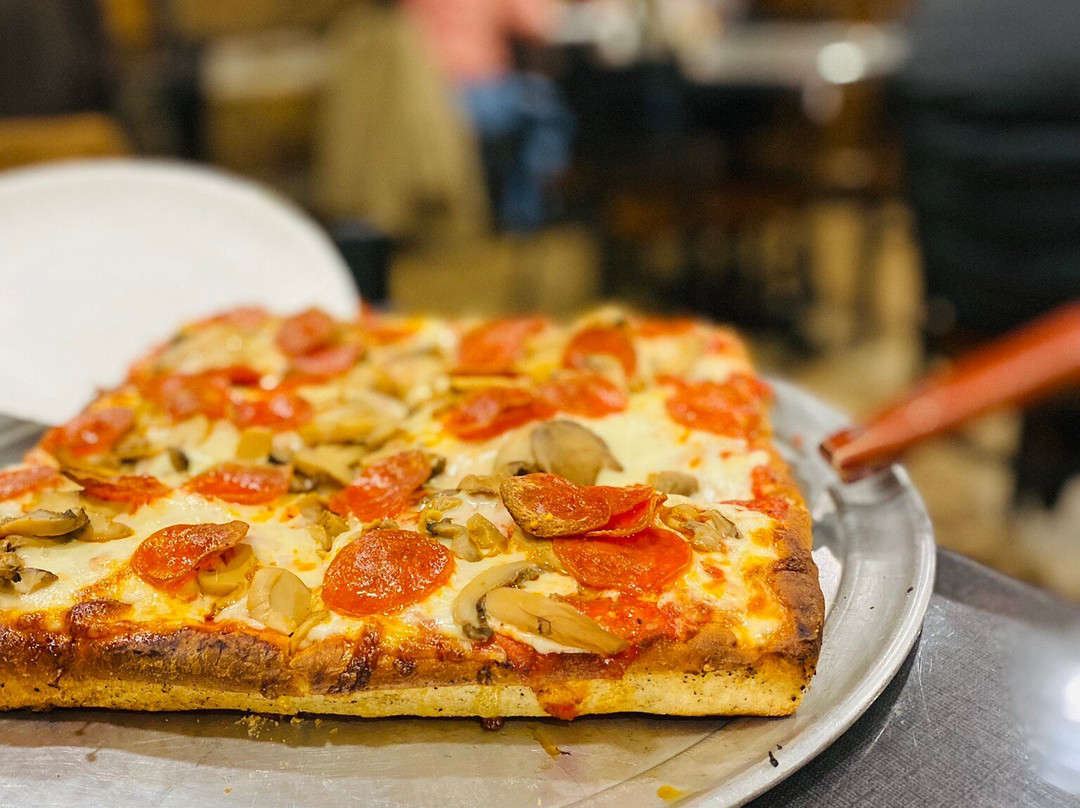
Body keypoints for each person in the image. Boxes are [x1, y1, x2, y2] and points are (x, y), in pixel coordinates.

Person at [402, 0, 574, 232]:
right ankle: (525, 219)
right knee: (546, 109)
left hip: (422, 99)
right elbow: (537, 24)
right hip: (479, 96)